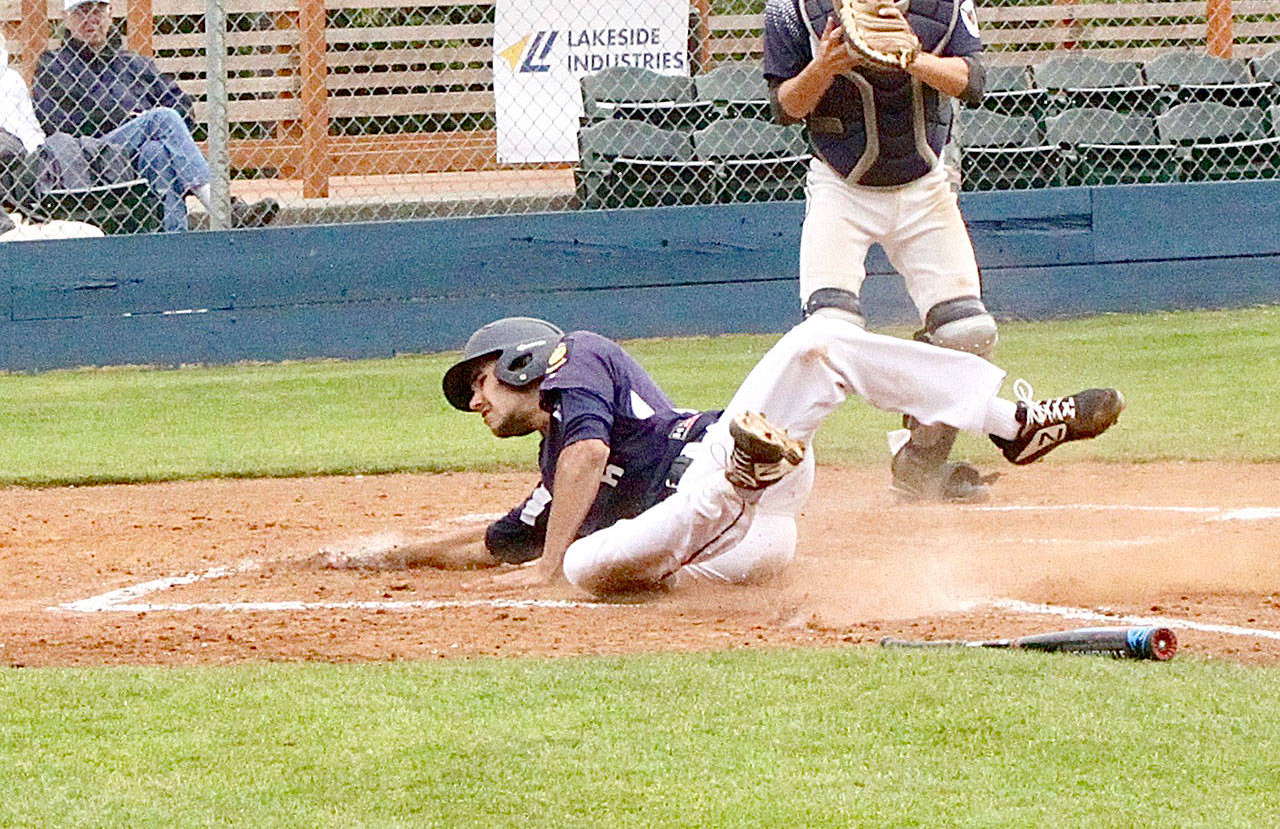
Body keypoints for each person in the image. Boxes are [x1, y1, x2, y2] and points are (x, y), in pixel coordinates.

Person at [316, 313, 1124, 598]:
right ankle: (726, 503)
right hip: (747, 545)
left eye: (481, 383)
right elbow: (493, 542)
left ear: (526, 360)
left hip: (724, 468)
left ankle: (1010, 419)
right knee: (591, 565)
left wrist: (549, 564)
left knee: (817, 344)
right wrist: (379, 556)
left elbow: (587, 455)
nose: (478, 402)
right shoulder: (552, 478)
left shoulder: (580, 361)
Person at [762, 0, 995, 505]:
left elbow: (973, 80)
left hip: (923, 183)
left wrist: (909, 56)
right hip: (841, 185)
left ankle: (918, 463)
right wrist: (826, 65)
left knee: (969, 332)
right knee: (828, 337)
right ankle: (766, 474)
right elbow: (785, 104)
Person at [30, 0, 279, 231]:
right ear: (66, 19)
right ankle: (225, 208)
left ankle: (174, 242)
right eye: (81, 12)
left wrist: (145, 127)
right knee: (161, 119)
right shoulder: (54, 65)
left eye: (97, 11)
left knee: (156, 151)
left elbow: (182, 106)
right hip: (90, 155)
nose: (90, 19)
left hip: (138, 154)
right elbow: (58, 123)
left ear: (110, 15)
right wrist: (134, 120)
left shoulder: (134, 64)